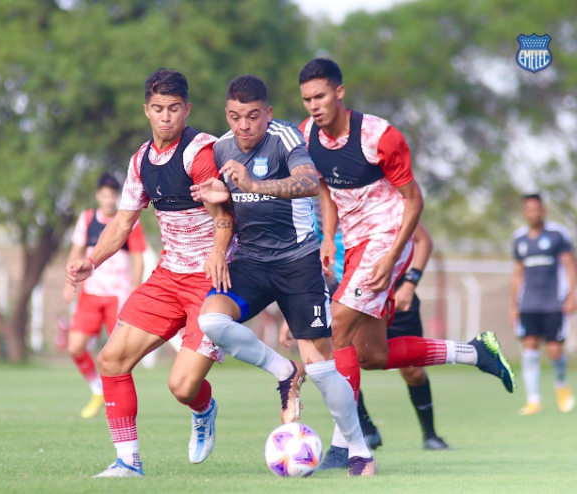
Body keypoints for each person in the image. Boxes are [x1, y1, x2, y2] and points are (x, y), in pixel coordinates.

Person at [296, 58, 516, 468]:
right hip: (357, 244)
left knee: (337, 324)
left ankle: (349, 445)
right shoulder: (307, 135)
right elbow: (325, 189)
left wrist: (394, 257)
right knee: (372, 355)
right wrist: (328, 235)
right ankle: (473, 352)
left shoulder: (380, 137)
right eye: (307, 98)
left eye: (321, 96)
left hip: (386, 242)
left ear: (339, 92)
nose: (313, 105)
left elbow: (414, 200)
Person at [191, 75, 376, 476]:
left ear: (268, 113)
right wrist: (216, 210)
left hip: (297, 262)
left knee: (323, 368)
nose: (244, 126)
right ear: (227, 115)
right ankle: (283, 370)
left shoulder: (285, 137)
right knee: (211, 320)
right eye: (236, 117)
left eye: (253, 117)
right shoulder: (220, 147)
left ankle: (359, 450)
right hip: (252, 263)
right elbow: (222, 209)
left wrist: (253, 183)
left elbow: (310, 183)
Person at [67, 69, 234, 477]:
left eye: (173, 109)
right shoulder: (141, 160)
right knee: (111, 359)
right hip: (167, 277)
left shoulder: (201, 152)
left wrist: (217, 253)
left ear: (186, 109)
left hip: (209, 281)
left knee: (181, 387)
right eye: (157, 109)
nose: (165, 117)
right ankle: (128, 461)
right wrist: (92, 260)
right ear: (146, 110)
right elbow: (122, 224)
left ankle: (203, 407)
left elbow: (224, 215)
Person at [353, 223, 450, 450]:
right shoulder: (329, 210)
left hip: (397, 297)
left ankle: (430, 435)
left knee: (414, 372)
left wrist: (410, 282)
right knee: (346, 363)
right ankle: (367, 431)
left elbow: (424, 240)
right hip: (354, 298)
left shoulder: (392, 205)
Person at [63, 173, 146, 419]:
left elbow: (138, 256)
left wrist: (135, 288)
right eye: (105, 195)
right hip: (91, 293)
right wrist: (69, 283)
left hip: (117, 296)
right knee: (75, 346)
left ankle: (118, 403)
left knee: (117, 355)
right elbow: (76, 250)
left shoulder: (129, 220)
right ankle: (97, 390)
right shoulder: (87, 219)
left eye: (113, 196)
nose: (109, 201)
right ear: (99, 195)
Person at [510, 194, 576, 415]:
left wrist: (572, 295)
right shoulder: (519, 239)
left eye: (537, 209)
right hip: (528, 304)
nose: (533, 213)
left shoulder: (557, 235)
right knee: (529, 349)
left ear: (543, 211)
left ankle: (561, 385)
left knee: (555, 351)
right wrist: (513, 305)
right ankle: (533, 399)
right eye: (529, 209)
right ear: (524, 212)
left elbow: (569, 265)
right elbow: (518, 273)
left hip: (553, 302)